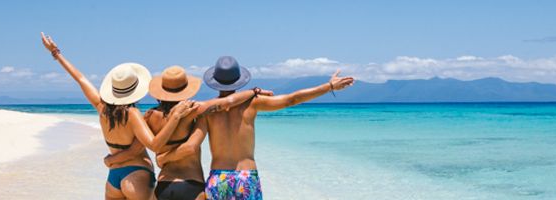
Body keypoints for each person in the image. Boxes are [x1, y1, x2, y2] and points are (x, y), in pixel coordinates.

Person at [105, 66, 273, 200]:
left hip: (164, 186)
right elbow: (226, 102)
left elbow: (135, 149)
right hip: (192, 185)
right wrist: (253, 92)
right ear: (184, 89)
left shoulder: (149, 116)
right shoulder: (192, 110)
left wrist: (112, 159)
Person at [199, 56, 354, 200]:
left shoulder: (206, 110)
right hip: (246, 176)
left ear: (215, 81)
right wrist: (328, 86)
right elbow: (292, 99)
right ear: (239, 79)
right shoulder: (253, 102)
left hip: (218, 178)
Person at [41, 32, 166, 200]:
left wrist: (56, 53)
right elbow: (152, 144)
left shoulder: (101, 108)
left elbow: (80, 78)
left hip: (113, 177)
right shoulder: (132, 113)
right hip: (137, 173)